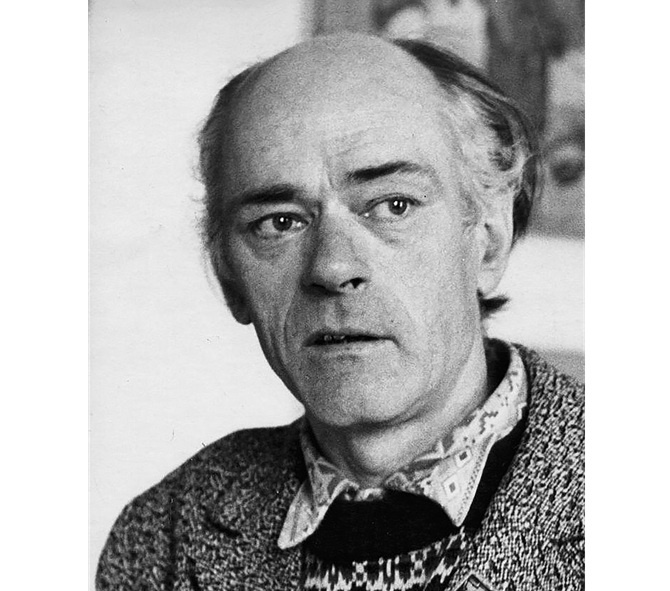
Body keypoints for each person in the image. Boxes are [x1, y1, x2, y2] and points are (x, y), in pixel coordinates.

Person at [97, 33, 584, 591]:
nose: (332, 267)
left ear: (489, 241)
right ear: (229, 277)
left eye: (393, 205)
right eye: (279, 222)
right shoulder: (161, 538)